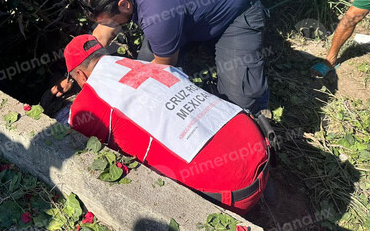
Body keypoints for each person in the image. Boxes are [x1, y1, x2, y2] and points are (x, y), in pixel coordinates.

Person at [63, 34, 270, 214]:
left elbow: (78, 149)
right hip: (260, 148)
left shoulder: (88, 102)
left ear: (80, 74)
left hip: (231, 192)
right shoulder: (145, 65)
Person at [81, 0, 270, 115]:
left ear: (123, 5)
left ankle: (259, 115)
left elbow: (164, 66)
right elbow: (102, 33)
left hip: (236, 13)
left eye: (110, 21)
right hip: (193, 13)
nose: (109, 26)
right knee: (143, 65)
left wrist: (123, 89)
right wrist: (79, 73)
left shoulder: (156, 15)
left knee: (240, 99)